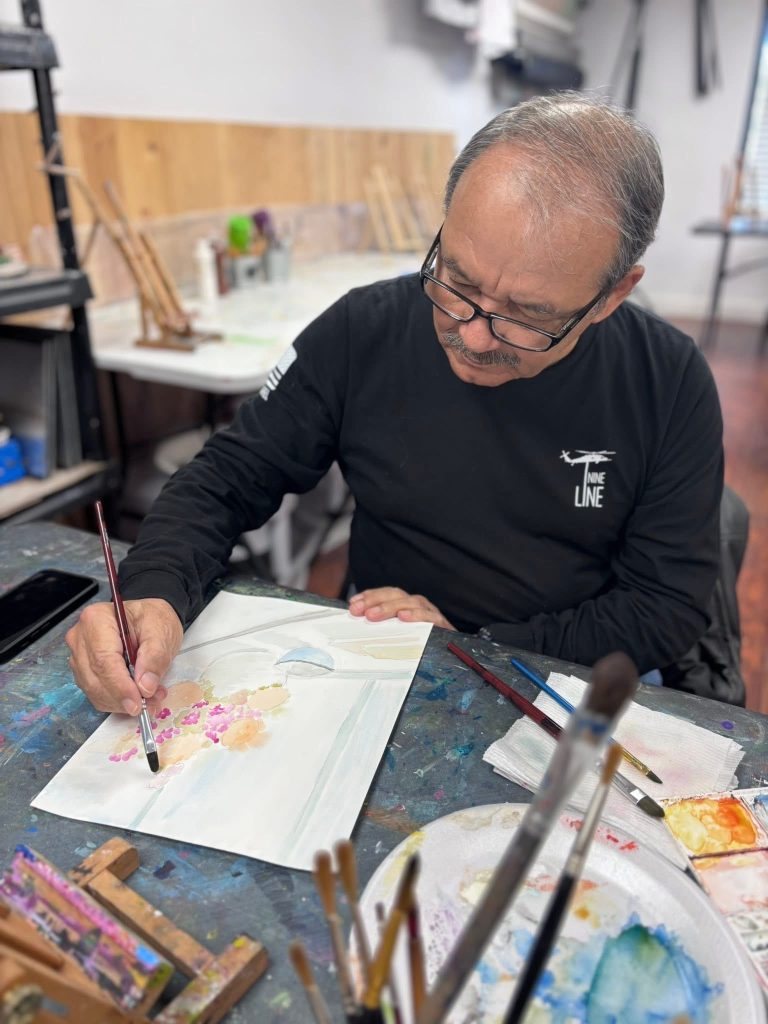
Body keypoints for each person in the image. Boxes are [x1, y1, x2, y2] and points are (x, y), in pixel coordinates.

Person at [67, 92, 723, 716]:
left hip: (554, 673)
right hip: (379, 648)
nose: (470, 335)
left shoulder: (666, 380)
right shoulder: (365, 330)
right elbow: (227, 478)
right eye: (457, 279)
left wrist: (473, 643)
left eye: (526, 316)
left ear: (613, 294)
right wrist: (154, 591)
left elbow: (663, 606)